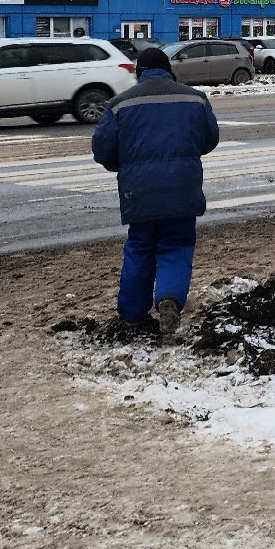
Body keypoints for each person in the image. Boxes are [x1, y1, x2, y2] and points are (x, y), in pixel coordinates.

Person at [91, 47, 219, 335]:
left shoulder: (119, 104)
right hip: (183, 187)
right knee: (177, 243)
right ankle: (169, 299)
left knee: (140, 246)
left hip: (139, 190)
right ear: (169, 71)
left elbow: (103, 150)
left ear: (140, 73)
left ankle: (133, 314)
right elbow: (209, 140)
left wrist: (125, 165)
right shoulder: (195, 98)